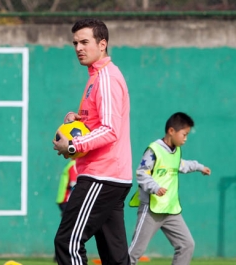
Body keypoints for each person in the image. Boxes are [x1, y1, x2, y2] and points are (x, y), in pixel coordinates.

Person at [53, 18, 132, 265]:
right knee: (115, 258)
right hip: (110, 176)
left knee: (68, 242)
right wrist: (76, 122)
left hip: (102, 175)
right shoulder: (95, 77)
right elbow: (99, 123)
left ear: (102, 44)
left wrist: (74, 145)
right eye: (75, 42)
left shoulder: (106, 77)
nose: (78, 47)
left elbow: (110, 130)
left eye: (85, 42)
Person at [128, 112, 211, 265]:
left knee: (186, 245)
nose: (185, 139)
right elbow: (141, 173)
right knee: (134, 252)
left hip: (170, 210)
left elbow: (182, 165)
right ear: (171, 131)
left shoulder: (176, 151)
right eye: (184, 134)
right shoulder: (154, 150)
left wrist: (200, 167)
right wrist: (155, 187)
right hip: (151, 209)